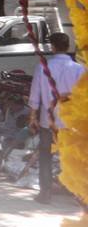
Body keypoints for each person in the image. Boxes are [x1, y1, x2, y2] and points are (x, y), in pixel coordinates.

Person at [28, 32, 86, 203]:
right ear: (68, 47)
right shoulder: (79, 69)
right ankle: (80, 194)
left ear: (52, 47)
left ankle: (45, 193)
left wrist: (33, 117)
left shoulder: (43, 68)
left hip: (49, 121)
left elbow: (35, 95)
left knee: (46, 155)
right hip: (72, 122)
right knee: (75, 157)